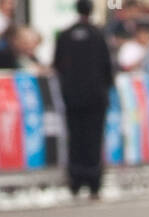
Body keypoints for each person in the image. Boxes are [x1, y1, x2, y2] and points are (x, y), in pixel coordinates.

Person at [53, 0, 112, 200]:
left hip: (72, 96)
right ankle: (93, 182)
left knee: (75, 138)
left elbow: (58, 65)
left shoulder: (64, 35)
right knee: (93, 139)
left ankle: (76, 180)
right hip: (95, 97)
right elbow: (108, 67)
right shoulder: (98, 35)